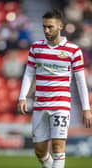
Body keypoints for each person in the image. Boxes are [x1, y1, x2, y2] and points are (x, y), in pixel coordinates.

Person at [17, 9, 92, 168]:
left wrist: (86, 108)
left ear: (60, 26)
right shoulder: (36, 48)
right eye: (44, 27)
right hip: (40, 104)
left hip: (60, 105)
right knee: (40, 151)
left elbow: (80, 80)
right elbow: (29, 73)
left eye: (50, 27)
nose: (46, 30)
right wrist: (22, 96)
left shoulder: (73, 50)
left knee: (58, 147)